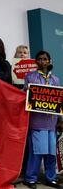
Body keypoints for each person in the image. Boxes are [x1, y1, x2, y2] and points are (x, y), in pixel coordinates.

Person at [23, 51, 62, 189]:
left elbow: (59, 101)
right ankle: (31, 178)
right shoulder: (30, 77)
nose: (42, 61)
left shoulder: (55, 79)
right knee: (37, 152)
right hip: (36, 121)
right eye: (39, 59)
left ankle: (50, 178)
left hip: (51, 122)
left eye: (45, 59)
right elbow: (24, 96)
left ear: (49, 61)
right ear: (36, 61)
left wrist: (61, 120)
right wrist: (27, 92)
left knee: (51, 152)